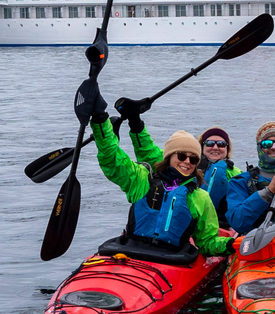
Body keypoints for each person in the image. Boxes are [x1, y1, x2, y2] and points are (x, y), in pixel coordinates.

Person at [75, 79, 232, 257]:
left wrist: (232, 244)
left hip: (173, 259)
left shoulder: (200, 197)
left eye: (194, 158)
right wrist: (99, 118)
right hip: (130, 252)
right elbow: (113, 160)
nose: (187, 161)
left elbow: (207, 242)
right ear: (169, 157)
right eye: (181, 156)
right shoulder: (142, 180)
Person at [126, 116, 241, 227]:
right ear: (201, 146)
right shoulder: (180, 161)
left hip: (220, 225)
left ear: (227, 148)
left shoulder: (237, 174)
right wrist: (136, 125)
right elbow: (149, 153)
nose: (215, 147)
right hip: (185, 221)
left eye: (221, 144)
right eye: (210, 143)